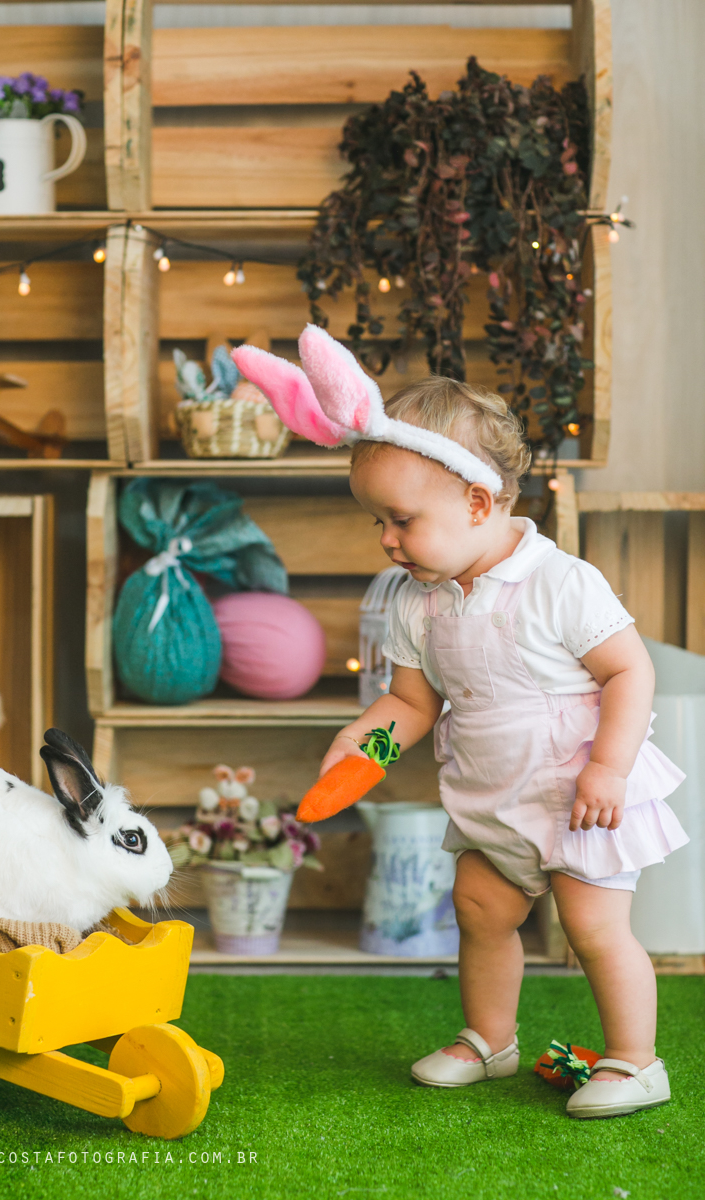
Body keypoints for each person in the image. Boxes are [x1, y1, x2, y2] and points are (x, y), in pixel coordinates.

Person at [233, 325, 688, 1120]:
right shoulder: (418, 600)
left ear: (479, 502)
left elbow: (630, 669)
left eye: (401, 520)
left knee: (591, 928)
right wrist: (365, 746)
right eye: (375, 521)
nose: (385, 540)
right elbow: (413, 704)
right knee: (479, 910)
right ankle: (489, 1039)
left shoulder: (560, 582)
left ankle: (636, 1061)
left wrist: (609, 769)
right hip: (493, 795)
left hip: (578, 791)